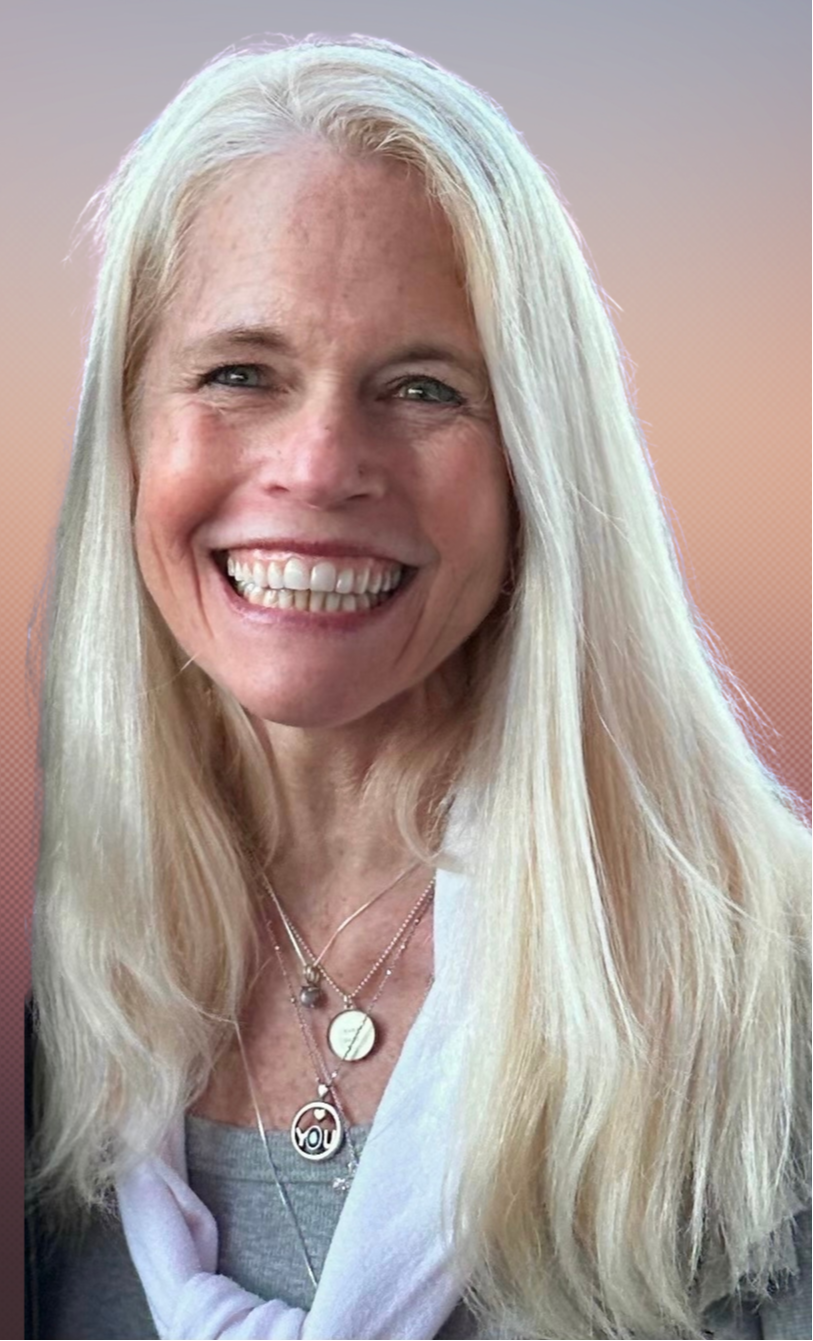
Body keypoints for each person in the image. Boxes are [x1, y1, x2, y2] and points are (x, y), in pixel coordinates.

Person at [24, 33, 811, 1341]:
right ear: (126, 437)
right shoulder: (50, 994)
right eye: (239, 373)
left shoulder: (769, 994)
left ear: (536, 466)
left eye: (424, 387)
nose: (320, 464)